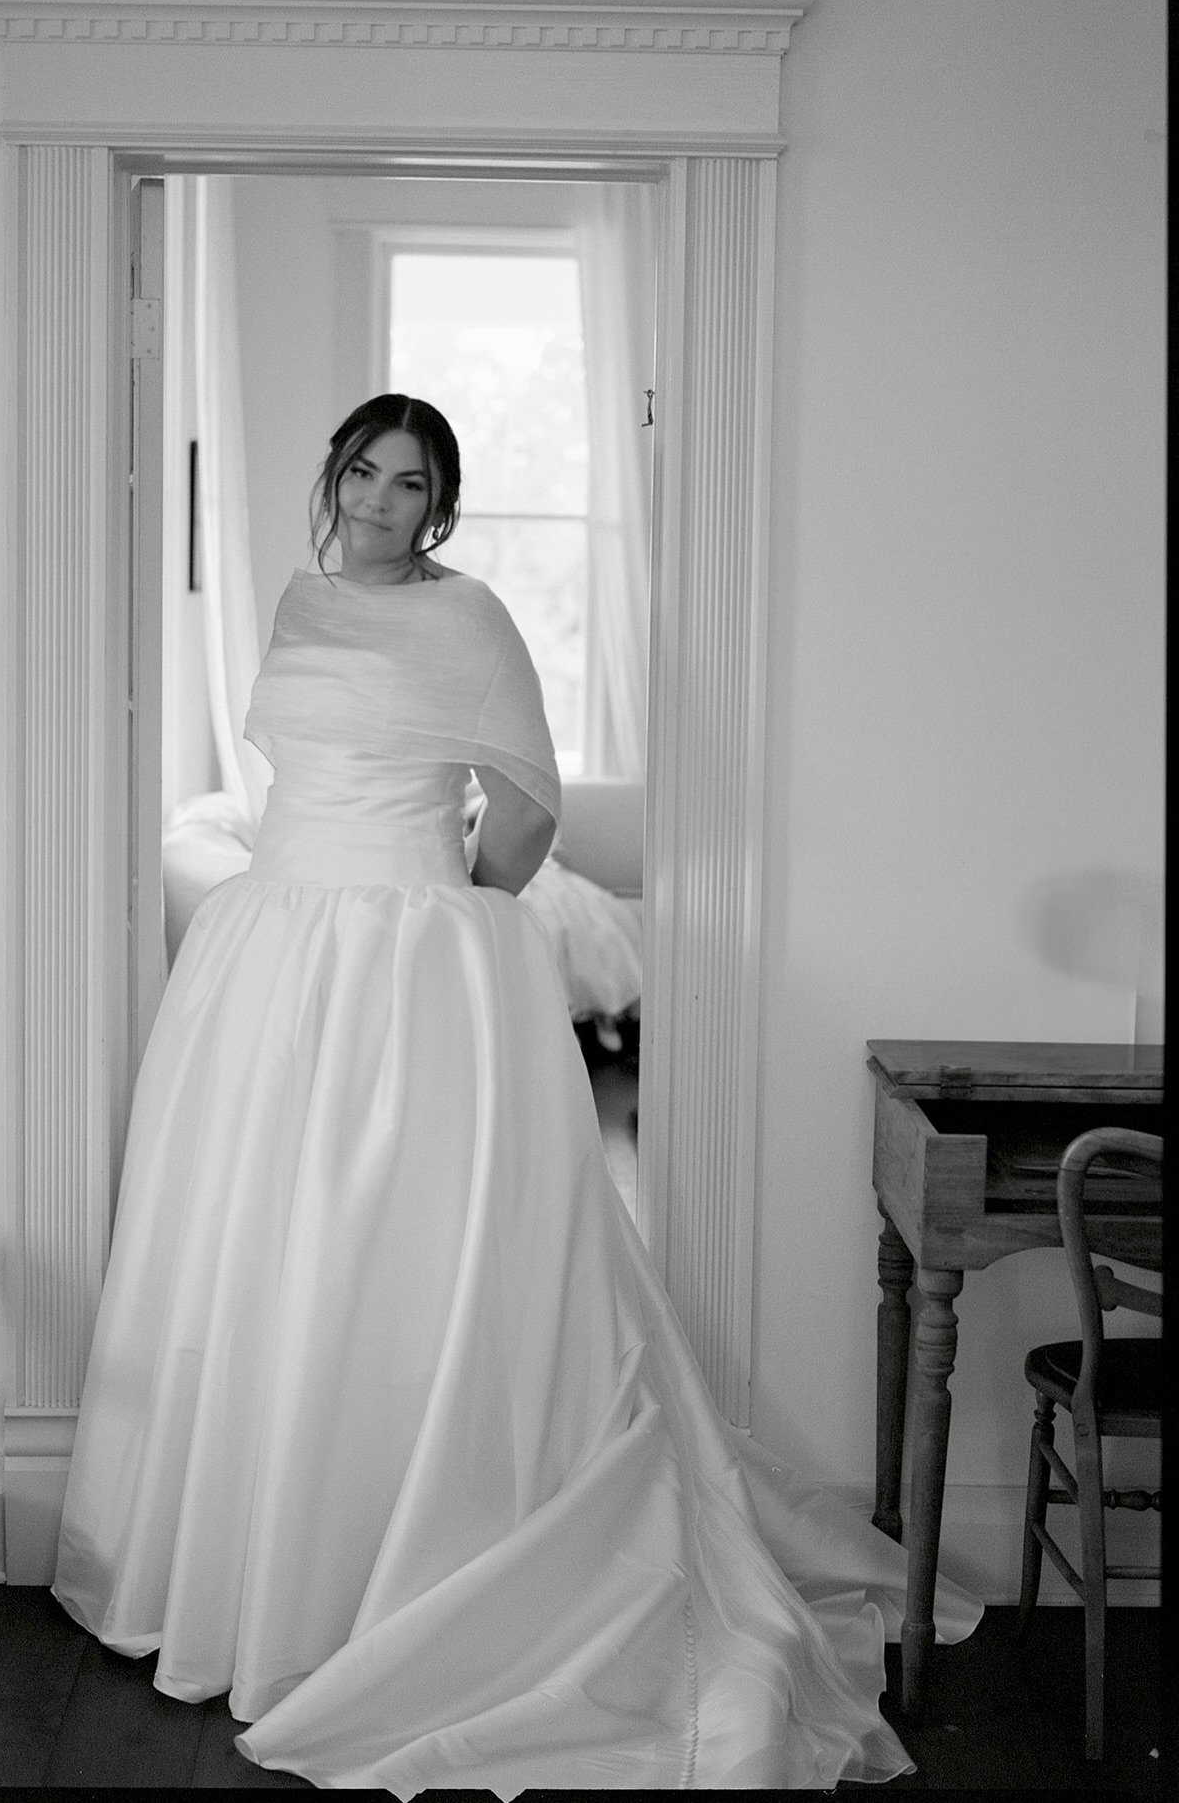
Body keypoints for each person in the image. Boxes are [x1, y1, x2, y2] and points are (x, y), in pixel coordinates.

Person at [52, 394, 980, 1795]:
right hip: (270, 953)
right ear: (334, 476)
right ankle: (250, 1570)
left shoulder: (471, 619)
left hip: (410, 953)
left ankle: (398, 1565)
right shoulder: (297, 602)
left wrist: (459, 901)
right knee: (261, 1250)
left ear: (442, 503)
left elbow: (529, 802)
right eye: (361, 467)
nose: (377, 494)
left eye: (408, 478)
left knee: (409, 1256)